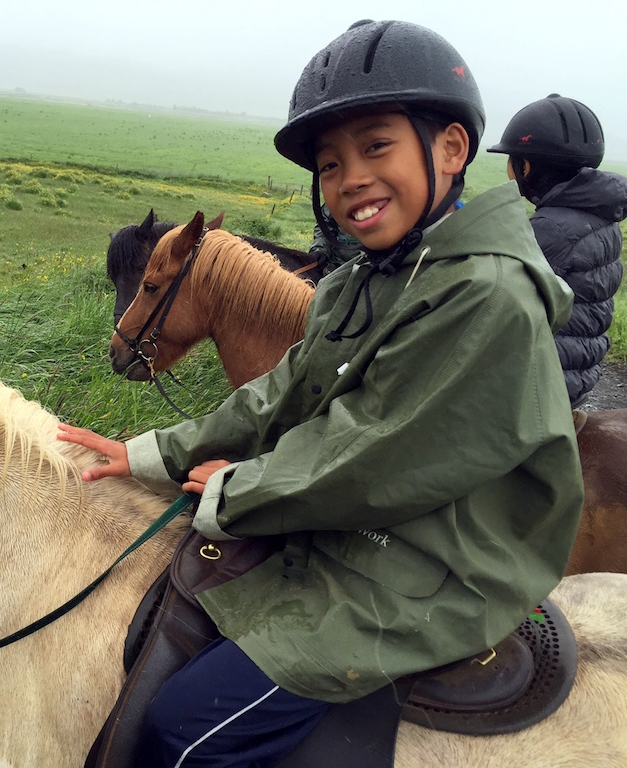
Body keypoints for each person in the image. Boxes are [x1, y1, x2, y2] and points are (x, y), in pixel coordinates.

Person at [59, 19, 584, 768]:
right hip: (366, 532)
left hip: (431, 568)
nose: (350, 180)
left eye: (376, 147)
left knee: (183, 731)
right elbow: (281, 391)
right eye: (331, 165)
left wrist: (235, 491)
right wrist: (153, 452)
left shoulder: (485, 294)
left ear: (451, 149)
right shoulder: (366, 279)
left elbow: (374, 455)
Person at [486, 94, 627, 407]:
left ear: (526, 166)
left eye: (511, 161)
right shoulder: (601, 216)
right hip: (580, 373)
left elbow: (492, 296)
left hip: (541, 383)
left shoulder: (549, 228)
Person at [308, 202, 364, 271]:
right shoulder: (335, 201)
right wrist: (320, 250)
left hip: (371, 266)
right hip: (336, 264)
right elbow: (325, 226)